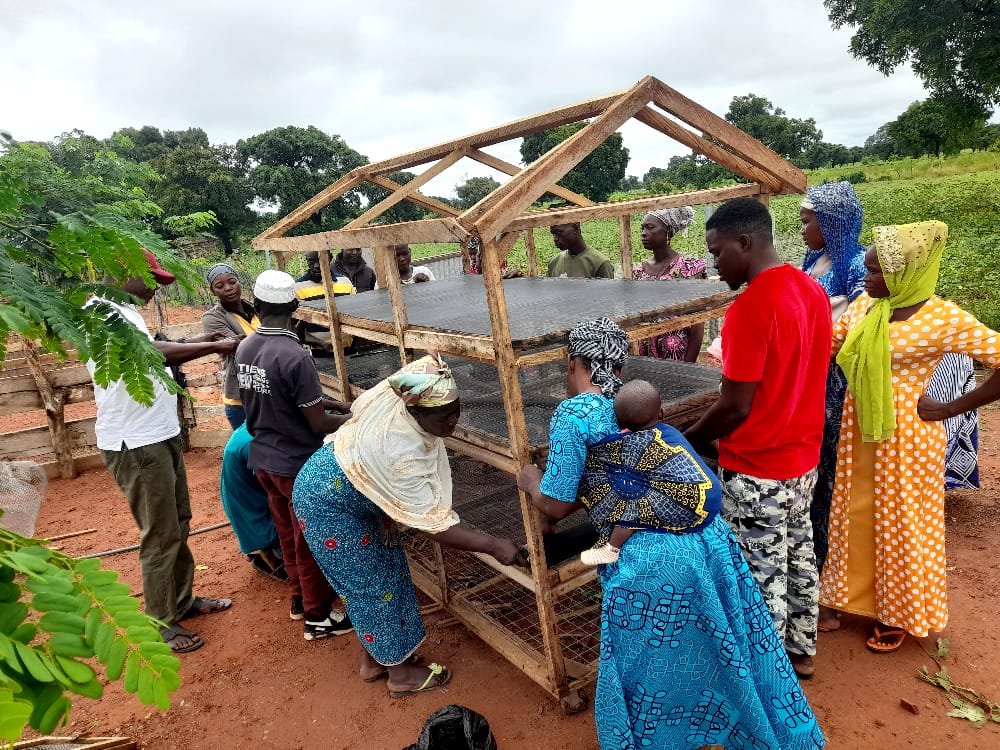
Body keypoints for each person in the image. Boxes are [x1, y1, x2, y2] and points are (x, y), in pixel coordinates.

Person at [517, 318, 825, 750]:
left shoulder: (575, 414)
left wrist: (529, 478)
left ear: (574, 364)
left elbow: (555, 503)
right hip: (708, 539)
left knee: (653, 664)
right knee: (723, 643)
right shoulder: (636, 405)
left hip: (649, 560)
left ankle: (667, 738)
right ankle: (748, 728)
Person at [292, 354, 522, 696]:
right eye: (445, 416)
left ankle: (377, 660)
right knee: (370, 585)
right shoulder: (401, 450)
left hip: (353, 493)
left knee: (389, 569)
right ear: (416, 412)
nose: (454, 421)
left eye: (457, 410)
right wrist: (492, 544)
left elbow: (422, 365)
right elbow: (435, 528)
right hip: (327, 505)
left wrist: (387, 508)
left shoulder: (405, 395)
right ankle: (400, 677)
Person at [819, 221, 1000, 653]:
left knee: (902, 522)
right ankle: (849, 598)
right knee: (857, 515)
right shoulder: (867, 308)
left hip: (908, 438)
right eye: (868, 268)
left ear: (906, 274)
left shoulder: (942, 317)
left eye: (877, 271)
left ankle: (898, 613)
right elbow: (827, 343)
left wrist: (952, 407)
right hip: (858, 430)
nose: (867, 277)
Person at [684, 198, 832, 680]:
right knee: (799, 552)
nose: (714, 263)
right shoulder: (809, 290)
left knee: (757, 571)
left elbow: (735, 405)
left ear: (744, 243)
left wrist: (689, 439)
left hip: (757, 466)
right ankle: (801, 651)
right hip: (803, 458)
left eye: (718, 252)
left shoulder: (750, 307)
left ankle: (764, 677)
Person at [86, 251, 236, 654]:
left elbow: (152, 348)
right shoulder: (102, 311)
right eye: (150, 278)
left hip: (159, 432)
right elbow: (150, 355)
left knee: (179, 521)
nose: (154, 287)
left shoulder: (123, 309)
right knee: (160, 533)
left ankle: (181, 601)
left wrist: (196, 341)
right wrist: (216, 345)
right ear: (122, 270)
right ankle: (160, 620)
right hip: (136, 442)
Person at [234, 269, 354, 641]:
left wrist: (340, 403)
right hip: (295, 463)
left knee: (287, 533)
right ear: (295, 306)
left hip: (264, 458)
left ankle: (300, 598)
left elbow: (287, 399)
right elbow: (317, 422)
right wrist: (354, 418)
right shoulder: (295, 356)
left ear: (256, 304)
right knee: (310, 539)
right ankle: (318, 617)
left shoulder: (246, 347)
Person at [797, 182, 867, 579]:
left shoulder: (857, 266)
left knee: (834, 471)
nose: (803, 229)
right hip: (811, 375)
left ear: (832, 222)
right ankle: (814, 551)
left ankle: (832, 562)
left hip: (838, 382)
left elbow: (859, 328)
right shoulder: (815, 258)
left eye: (809, 222)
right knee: (816, 465)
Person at [579, 379, 721, 566]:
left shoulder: (627, 443)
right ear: (661, 413)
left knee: (630, 509)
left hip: (693, 503)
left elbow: (602, 455)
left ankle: (611, 548)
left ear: (619, 422)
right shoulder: (669, 432)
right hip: (712, 494)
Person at [633, 207, 707, 362]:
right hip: (646, 356)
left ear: (667, 230)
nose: (643, 233)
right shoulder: (639, 272)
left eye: (650, 227)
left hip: (679, 355)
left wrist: (688, 363)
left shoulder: (689, 269)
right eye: (642, 228)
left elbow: (698, 321)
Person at [220, 423, 286, 581]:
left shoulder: (251, 426)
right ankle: (274, 561)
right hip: (255, 514)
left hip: (246, 507)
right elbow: (278, 488)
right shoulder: (253, 444)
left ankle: (265, 552)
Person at [201, 262, 257, 429]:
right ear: (213, 291)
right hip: (241, 398)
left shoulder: (256, 309)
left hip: (269, 392)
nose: (228, 288)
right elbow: (239, 348)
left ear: (239, 282)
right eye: (220, 286)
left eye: (232, 282)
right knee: (252, 450)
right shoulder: (212, 318)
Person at [546, 223, 614, 279]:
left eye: (559, 232)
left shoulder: (600, 263)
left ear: (576, 228)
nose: (555, 239)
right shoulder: (554, 262)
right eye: (553, 234)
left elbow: (607, 294)